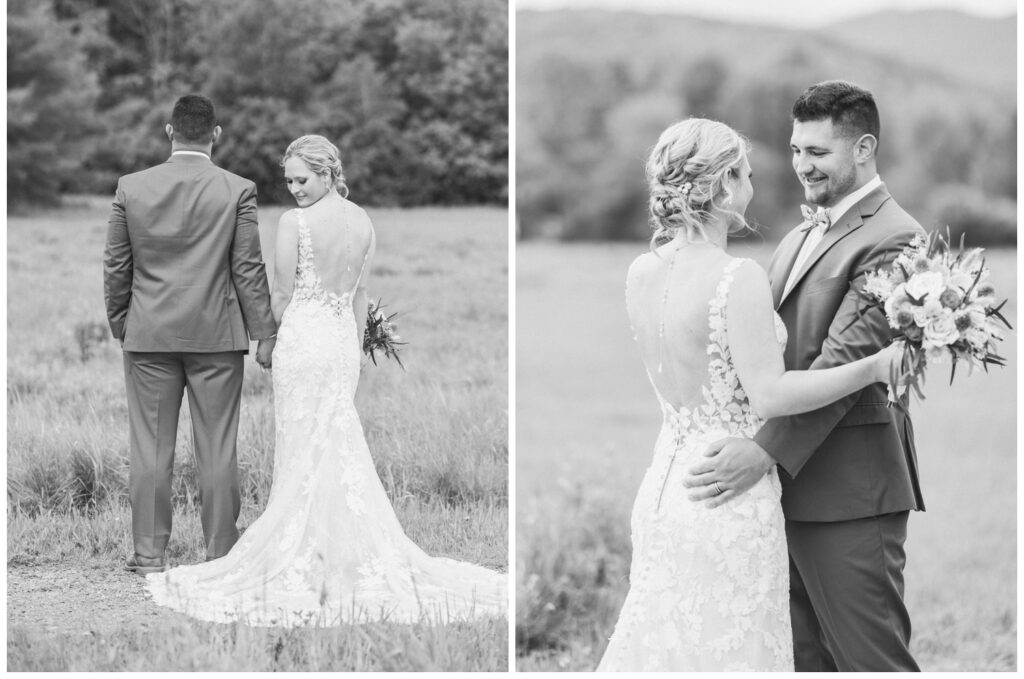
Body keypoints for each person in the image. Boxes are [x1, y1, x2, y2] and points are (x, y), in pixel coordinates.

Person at [145, 135, 506, 625]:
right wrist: (353, 353)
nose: (294, 189)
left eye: (302, 179)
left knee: (302, 443)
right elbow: (359, 298)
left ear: (328, 172)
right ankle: (333, 550)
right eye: (289, 181)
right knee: (331, 442)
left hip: (304, 342)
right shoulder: (364, 222)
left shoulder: (295, 224)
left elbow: (282, 292)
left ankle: (307, 551)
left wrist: (267, 343)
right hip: (338, 345)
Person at [595, 116, 906, 671]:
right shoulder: (734, 275)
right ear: (726, 183)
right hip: (730, 493)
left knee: (673, 642)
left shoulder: (641, 271)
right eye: (749, 171)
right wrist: (876, 366)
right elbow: (770, 393)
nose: (764, 179)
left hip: (668, 484)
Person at [683, 81, 924, 671]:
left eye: (817, 152)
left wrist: (759, 453)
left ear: (864, 148)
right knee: (802, 660)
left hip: (849, 490)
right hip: (780, 495)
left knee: (870, 659)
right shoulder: (796, 235)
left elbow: (843, 368)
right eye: (795, 150)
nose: (800, 165)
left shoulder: (894, 237)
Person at [103, 94, 277, 576]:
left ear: (168, 131)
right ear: (216, 134)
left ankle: (149, 555)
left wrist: (124, 324)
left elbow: (117, 265)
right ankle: (220, 554)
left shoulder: (131, 187)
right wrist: (265, 333)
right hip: (217, 338)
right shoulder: (238, 189)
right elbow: (247, 268)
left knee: (150, 448)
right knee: (218, 447)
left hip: (148, 335)